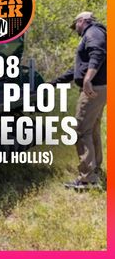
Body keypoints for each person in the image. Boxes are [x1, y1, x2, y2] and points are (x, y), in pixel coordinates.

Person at [51, 11, 107, 190]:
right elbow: (77, 70)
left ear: (82, 21)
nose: (75, 29)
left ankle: (87, 179)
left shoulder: (93, 33)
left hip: (92, 89)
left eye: (75, 25)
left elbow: (98, 52)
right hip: (101, 87)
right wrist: (54, 83)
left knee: (80, 130)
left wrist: (88, 79)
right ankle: (95, 169)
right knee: (92, 129)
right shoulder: (96, 33)